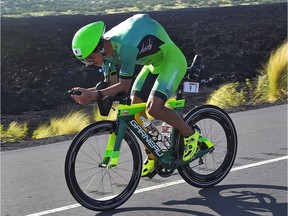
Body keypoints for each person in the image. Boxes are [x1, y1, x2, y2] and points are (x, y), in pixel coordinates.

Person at [70, 14, 201, 177]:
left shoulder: (125, 47)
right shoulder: (107, 54)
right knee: (135, 105)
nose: (90, 63)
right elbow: (112, 86)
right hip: (152, 65)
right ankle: (155, 153)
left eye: (90, 58)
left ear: (100, 47)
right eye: (86, 61)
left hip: (171, 61)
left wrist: (92, 95)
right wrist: (89, 92)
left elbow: (124, 85)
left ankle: (191, 135)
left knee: (154, 107)